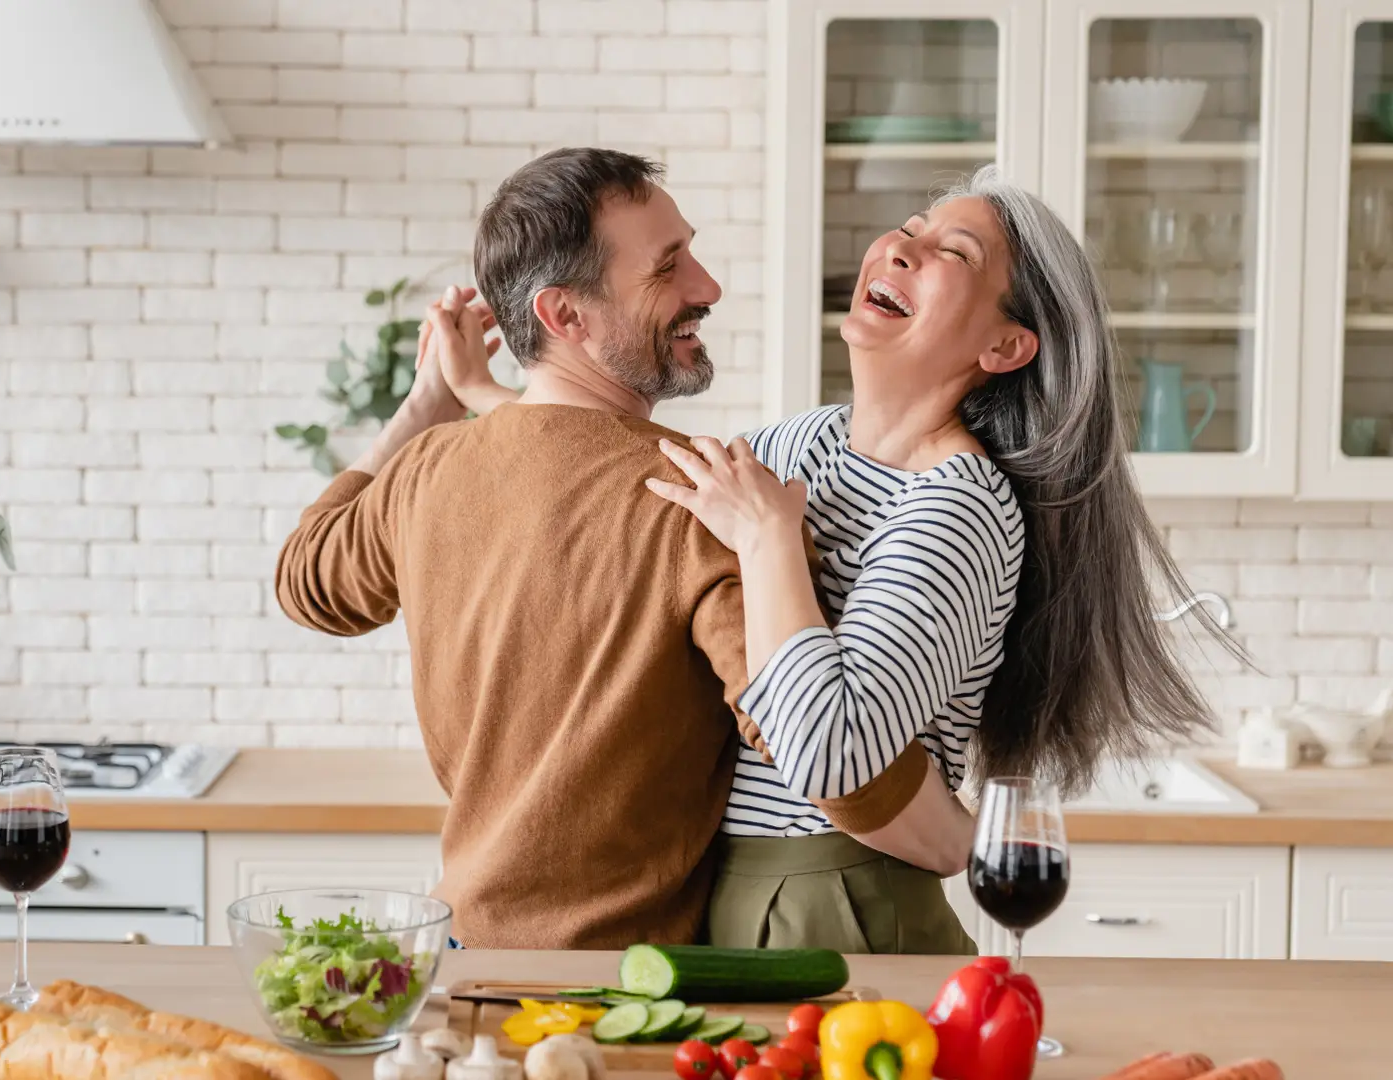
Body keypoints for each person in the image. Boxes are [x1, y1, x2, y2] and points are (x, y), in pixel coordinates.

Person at [435, 165, 1232, 953]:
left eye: (953, 253)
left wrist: (771, 542)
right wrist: (484, 394)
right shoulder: (802, 442)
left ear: (1004, 344)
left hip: (841, 900)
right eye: (910, 229)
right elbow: (632, 481)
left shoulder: (958, 507)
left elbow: (833, 753)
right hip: (724, 893)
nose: (899, 248)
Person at [273, 148, 971, 950]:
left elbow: (306, 581)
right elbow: (827, 755)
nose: (707, 287)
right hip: (615, 989)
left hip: (461, 958)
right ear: (565, 316)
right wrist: (963, 838)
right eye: (668, 269)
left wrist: (424, 406)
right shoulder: (697, 502)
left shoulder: (427, 470)